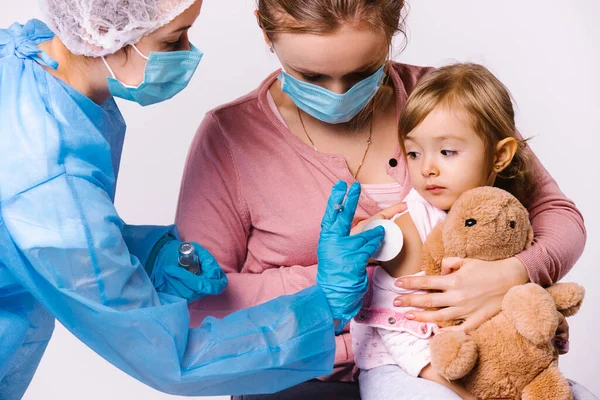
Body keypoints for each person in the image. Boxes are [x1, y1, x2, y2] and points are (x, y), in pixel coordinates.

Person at [176, 1, 590, 398]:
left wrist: (514, 274)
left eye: (362, 73)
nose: (338, 95)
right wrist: (339, 285)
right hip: (304, 378)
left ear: (393, 27)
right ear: (265, 31)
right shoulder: (229, 137)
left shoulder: (445, 100)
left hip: (464, 360)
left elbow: (558, 214)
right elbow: (197, 300)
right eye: (311, 76)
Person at [0, 0, 385, 398]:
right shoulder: (46, 175)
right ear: (98, 31)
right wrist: (322, 309)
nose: (188, 52)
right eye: (172, 39)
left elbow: (27, 234)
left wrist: (149, 254)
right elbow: (170, 356)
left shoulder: (27, 60)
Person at [353, 62, 539, 400]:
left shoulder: (507, 217)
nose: (427, 168)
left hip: (479, 360)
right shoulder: (411, 226)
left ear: (500, 156)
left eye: (447, 151)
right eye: (413, 152)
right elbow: (403, 336)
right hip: (403, 365)